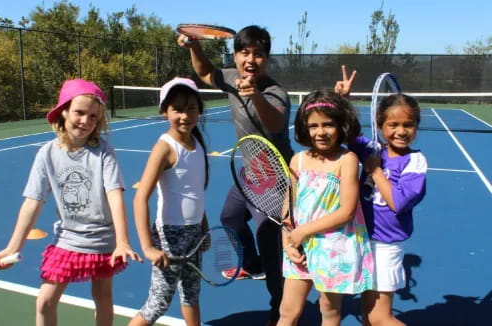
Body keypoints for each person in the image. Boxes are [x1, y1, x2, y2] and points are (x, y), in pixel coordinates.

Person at [0, 78, 141, 326]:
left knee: (102, 297)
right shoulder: (47, 154)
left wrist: (122, 241)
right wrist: (13, 247)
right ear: (63, 111)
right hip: (67, 238)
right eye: (79, 113)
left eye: (93, 116)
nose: (86, 121)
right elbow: (33, 202)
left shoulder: (103, 151)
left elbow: (115, 194)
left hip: (102, 239)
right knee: (44, 301)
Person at [178, 25, 292, 325]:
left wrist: (254, 95)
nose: (250, 59)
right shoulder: (231, 78)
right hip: (248, 174)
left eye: (257, 54)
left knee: (272, 246)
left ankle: (280, 307)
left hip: (277, 180)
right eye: (244, 52)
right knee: (229, 218)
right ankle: (252, 264)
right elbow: (204, 73)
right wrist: (194, 46)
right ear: (236, 55)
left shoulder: (275, 92)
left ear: (267, 58)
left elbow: (276, 124)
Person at [278, 89, 374, 326]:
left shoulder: (347, 160)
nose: (320, 132)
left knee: (329, 311)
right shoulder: (297, 160)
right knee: (288, 311)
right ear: (304, 128)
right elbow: (287, 206)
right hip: (298, 247)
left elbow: (346, 211)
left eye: (328, 125)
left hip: (333, 249)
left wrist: (304, 231)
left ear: (341, 126)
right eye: (313, 126)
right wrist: (286, 242)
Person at [129, 77, 210, 326]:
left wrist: (203, 227)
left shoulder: (197, 143)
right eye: (177, 109)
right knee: (159, 302)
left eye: (191, 108)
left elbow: (195, 192)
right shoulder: (164, 147)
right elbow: (140, 198)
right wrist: (148, 247)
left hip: (194, 233)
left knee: (191, 293)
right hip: (171, 235)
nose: (185, 115)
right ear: (165, 111)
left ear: (199, 110)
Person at [349, 94, 427, 326]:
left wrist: (375, 171)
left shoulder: (415, 161)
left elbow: (398, 203)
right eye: (393, 125)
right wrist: (344, 99)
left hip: (385, 244)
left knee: (379, 316)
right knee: (367, 311)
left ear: (416, 126)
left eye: (408, 124)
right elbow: (349, 135)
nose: (401, 131)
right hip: (362, 238)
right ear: (380, 125)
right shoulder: (373, 149)